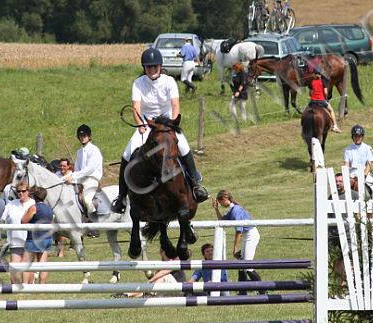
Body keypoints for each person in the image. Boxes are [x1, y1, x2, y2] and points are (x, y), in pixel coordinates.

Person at [111, 47, 209, 214]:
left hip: (167, 123)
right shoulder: (138, 83)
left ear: (160, 66)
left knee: (183, 146)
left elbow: (175, 105)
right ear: (144, 68)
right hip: (148, 124)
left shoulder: (169, 81)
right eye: (149, 67)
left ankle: (195, 184)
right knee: (127, 153)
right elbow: (136, 108)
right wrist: (140, 124)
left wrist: (172, 125)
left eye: (155, 66)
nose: (152, 69)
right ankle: (121, 197)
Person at [213, 190, 261, 293]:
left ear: (226, 199)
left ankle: (263, 290)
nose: (221, 204)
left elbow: (239, 231)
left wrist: (235, 248)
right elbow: (222, 221)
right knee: (241, 266)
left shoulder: (235, 210)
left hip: (251, 235)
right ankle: (242, 292)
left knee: (247, 267)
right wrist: (216, 209)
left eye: (221, 202)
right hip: (247, 236)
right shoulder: (232, 210)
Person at [65, 125, 102, 218]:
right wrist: (68, 178)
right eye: (80, 136)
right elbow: (77, 169)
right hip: (81, 179)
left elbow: (89, 169)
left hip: (91, 179)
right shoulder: (79, 152)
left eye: (84, 135)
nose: (82, 138)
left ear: (89, 136)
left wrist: (74, 177)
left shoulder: (94, 150)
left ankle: (93, 221)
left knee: (87, 199)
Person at [1, 181, 35, 284]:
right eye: (18, 191)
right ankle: (15, 288)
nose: (21, 193)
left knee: (28, 267)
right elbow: (1, 219)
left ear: (28, 191)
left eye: (23, 191)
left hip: (29, 241)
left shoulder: (33, 203)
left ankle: (29, 287)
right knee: (14, 268)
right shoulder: (11, 204)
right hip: (15, 241)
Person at [21, 186, 55, 285]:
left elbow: (23, 221)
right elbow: (52, 223)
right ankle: (42, 285)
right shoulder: (49, 208)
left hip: (34, 238)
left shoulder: (34, 208)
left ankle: (25, 285)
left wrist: (25, 213)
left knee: (26, 263)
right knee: (43, 263)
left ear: (34, 196)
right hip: (47, 238)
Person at [343, 124, 373, 198]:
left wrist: (364, 175)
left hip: (365, 175)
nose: (357, 138)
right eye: (355, 136)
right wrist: (348, 176)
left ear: (362, 137)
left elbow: (369, 163)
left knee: (368, 191)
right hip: (352, 175)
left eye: (359, 136)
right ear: (352, 137)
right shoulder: (348, 150)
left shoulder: (367, 148)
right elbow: (346, 164)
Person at [307, 69, 340, 133]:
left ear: (314, 74)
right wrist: (325, 98)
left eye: (313, 74)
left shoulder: (312, 81)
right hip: (321, 100)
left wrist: (312, 96)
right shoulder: (323, 81)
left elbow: (310, 93)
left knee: (306, 111)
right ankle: (335, 126)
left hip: (313, 101)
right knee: (331, 110)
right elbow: (325, 92)